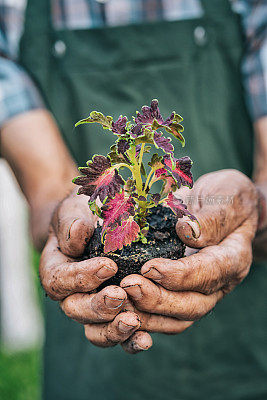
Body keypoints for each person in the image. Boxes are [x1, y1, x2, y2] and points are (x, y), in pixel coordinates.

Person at [1, 0, 267, 399]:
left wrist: (252, 210)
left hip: (247, 352)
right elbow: (48, 187)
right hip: (92, 365)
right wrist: (62, 213)